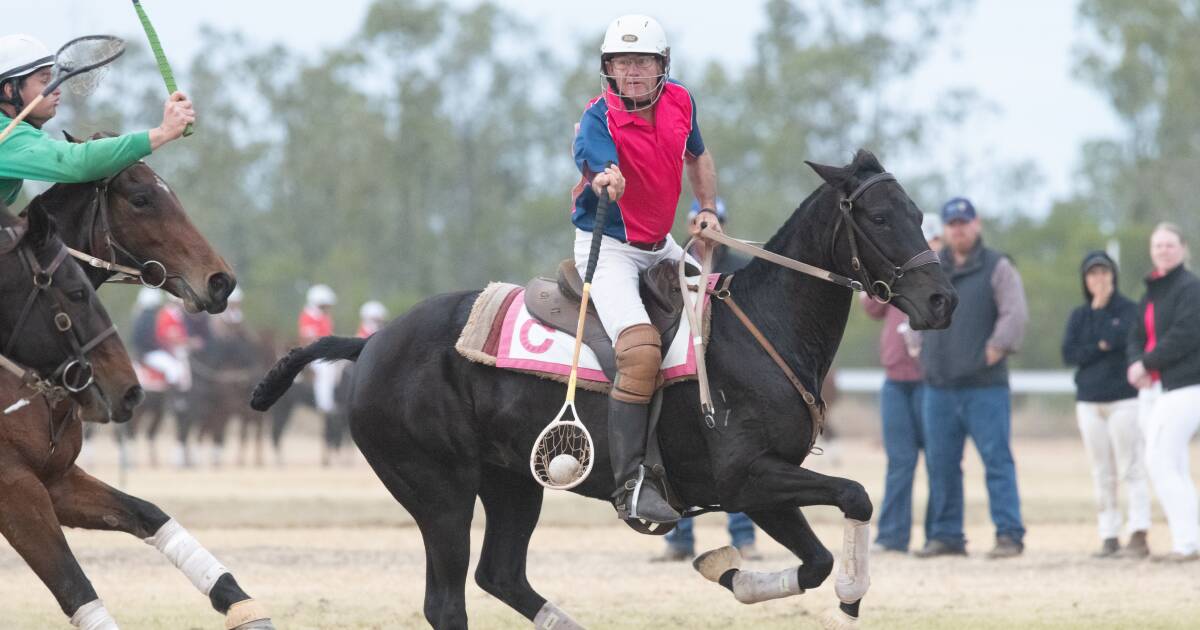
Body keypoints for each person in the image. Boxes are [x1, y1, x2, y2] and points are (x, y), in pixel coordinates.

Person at [572, 14, 721, 524]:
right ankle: (630, 484)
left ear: (662, 66)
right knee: (639, 352)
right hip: (610, 247)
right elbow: (599, 165)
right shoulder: (598, 119)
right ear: (607, 68)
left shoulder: (681, 100)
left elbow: (698, 155)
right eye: (621, 62)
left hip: (661, 246)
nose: (632, 72)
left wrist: (706, 206)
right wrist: (607, 180)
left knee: (722, 322)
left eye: (642, 61)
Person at [915, 197, 1028, 559]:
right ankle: (947, 536)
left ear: (976, 224)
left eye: (964, 222)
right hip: (939, 387)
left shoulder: (998, 266)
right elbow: (916, 308)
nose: (958, 229)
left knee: (997, 461)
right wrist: (918, 347)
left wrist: (995, 349)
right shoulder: (932, 267)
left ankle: (1009, 535)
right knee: (941, 464)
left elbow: (1015, 313)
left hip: (985, 386)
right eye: (952, 224)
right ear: (945, 229)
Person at [0, 34, 195, 206]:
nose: (56, 89)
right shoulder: (6, 137)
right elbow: (76, 162)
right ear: (11, 90)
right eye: (44, 81)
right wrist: (163, 132)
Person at [862, 213, 942, 553]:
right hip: (896, 380)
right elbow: (870, 307)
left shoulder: (943, 278)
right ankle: (892, 535)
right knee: (900, 460)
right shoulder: (898, 275)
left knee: (939, 460)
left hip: (931, 382)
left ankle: (939, 535)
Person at [1062, 251, 1150, 558]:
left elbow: (1124, 340)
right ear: (1085, 280)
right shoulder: (1079, 315)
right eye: (1092, 274)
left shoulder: (1130, 309)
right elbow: (1070, 354)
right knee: (1102, 471)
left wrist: (1100, 342)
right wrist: (1100, 342)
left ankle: (1138, 531)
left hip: (1123, 400)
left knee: (1131, 466)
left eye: (1103, 273)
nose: (1098, 279)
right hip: (1089, 401)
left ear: (1113, 276)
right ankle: (1108, 533)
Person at [1126, 223, 1200, 563]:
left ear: (1183, 248)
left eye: (1170, 244)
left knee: (1158, 459)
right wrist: (1136, 364)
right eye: (1158, 245)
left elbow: (1186, 334)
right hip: (1156, 387)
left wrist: (1148, 363)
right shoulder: (1151, 292)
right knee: (1176, 466)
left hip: (1185, 386)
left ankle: (1187, 543)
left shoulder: (1190, 288)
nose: (1163, 250)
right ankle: (1191, 539)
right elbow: (1137, 335)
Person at [299, 283, 344, 466]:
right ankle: (325, 402)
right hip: (315, 355)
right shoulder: (308, 316)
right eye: (325, 304)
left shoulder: (324, 317)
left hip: (326, 351)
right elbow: (308, 338)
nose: (328, 308)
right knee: (324, 370)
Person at [685, 198, 750, 273]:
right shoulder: (673, 263)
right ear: (691, 226)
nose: (713, 227)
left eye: (720, 222)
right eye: (704, 223)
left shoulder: (743, 269)